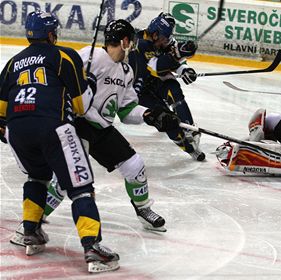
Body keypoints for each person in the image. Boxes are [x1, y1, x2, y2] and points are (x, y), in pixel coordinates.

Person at [8, 19, 182, 247]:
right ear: (125, 41)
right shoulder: (89, 57)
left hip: (101, 128)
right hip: (77, 124)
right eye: (132, 41)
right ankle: (32, 223)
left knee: (135, 165)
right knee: (65, 181)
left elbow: (126, 110)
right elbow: (58, 82)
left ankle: (143, 209)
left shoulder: (127, 71)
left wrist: (151, 115)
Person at [0, 11, 119, 273]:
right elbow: (80, 106)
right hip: (53, 127)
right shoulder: (63, 55)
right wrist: (89, 83)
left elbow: (0, 110)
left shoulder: (11, 63)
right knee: (81, 187)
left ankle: (30, 232)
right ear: (52, 34)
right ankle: (92, 248)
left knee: (36, 177)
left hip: (17, 130)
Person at [128, 12, 205, 161]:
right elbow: (156, 66)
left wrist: (184, 69)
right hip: (140, 89)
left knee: (175, 91)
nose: (166, 41)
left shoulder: (164, 40)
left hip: (156, 81)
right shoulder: (139, 43)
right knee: (166, 120)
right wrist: (177, 57)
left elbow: (174, 57)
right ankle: (189, 148)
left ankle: (189, 129)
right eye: (164, 38)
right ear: (155, 34)